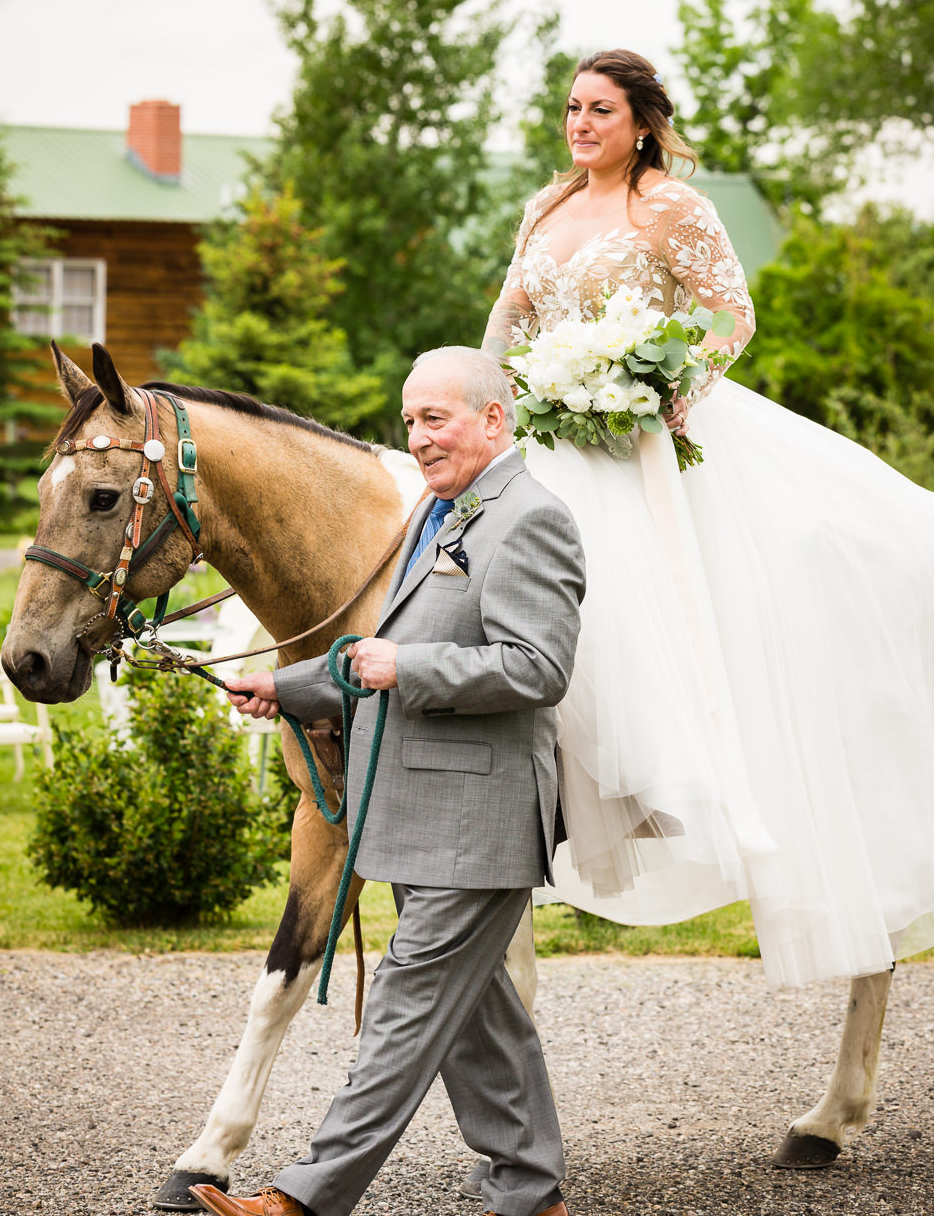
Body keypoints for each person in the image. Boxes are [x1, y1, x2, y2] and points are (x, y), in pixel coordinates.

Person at [482, 47, 934, 989]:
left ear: (641, 122)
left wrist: (664, 387)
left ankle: (681, 789)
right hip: (554, 434)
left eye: (598, 110)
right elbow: (507, 317)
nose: (580, 124)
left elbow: (730, 314)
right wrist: (484, 393)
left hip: (652, 434)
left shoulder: (670, 206)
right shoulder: (544, 210)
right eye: (572, 109)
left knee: (694, 599)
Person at [189, 346, 585, 1216]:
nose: (418, 436)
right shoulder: (438, 515)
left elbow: (536, 668)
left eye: (434, 418)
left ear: (494, 418)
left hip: (477, 820)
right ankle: (533, 1192)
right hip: (417, 814)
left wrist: (409, 666)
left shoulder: (531, 520)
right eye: (409, 420)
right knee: (484, 1024)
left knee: (401, 1017)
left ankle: (301, 1200)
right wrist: (284, 687)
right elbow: (370, 662)